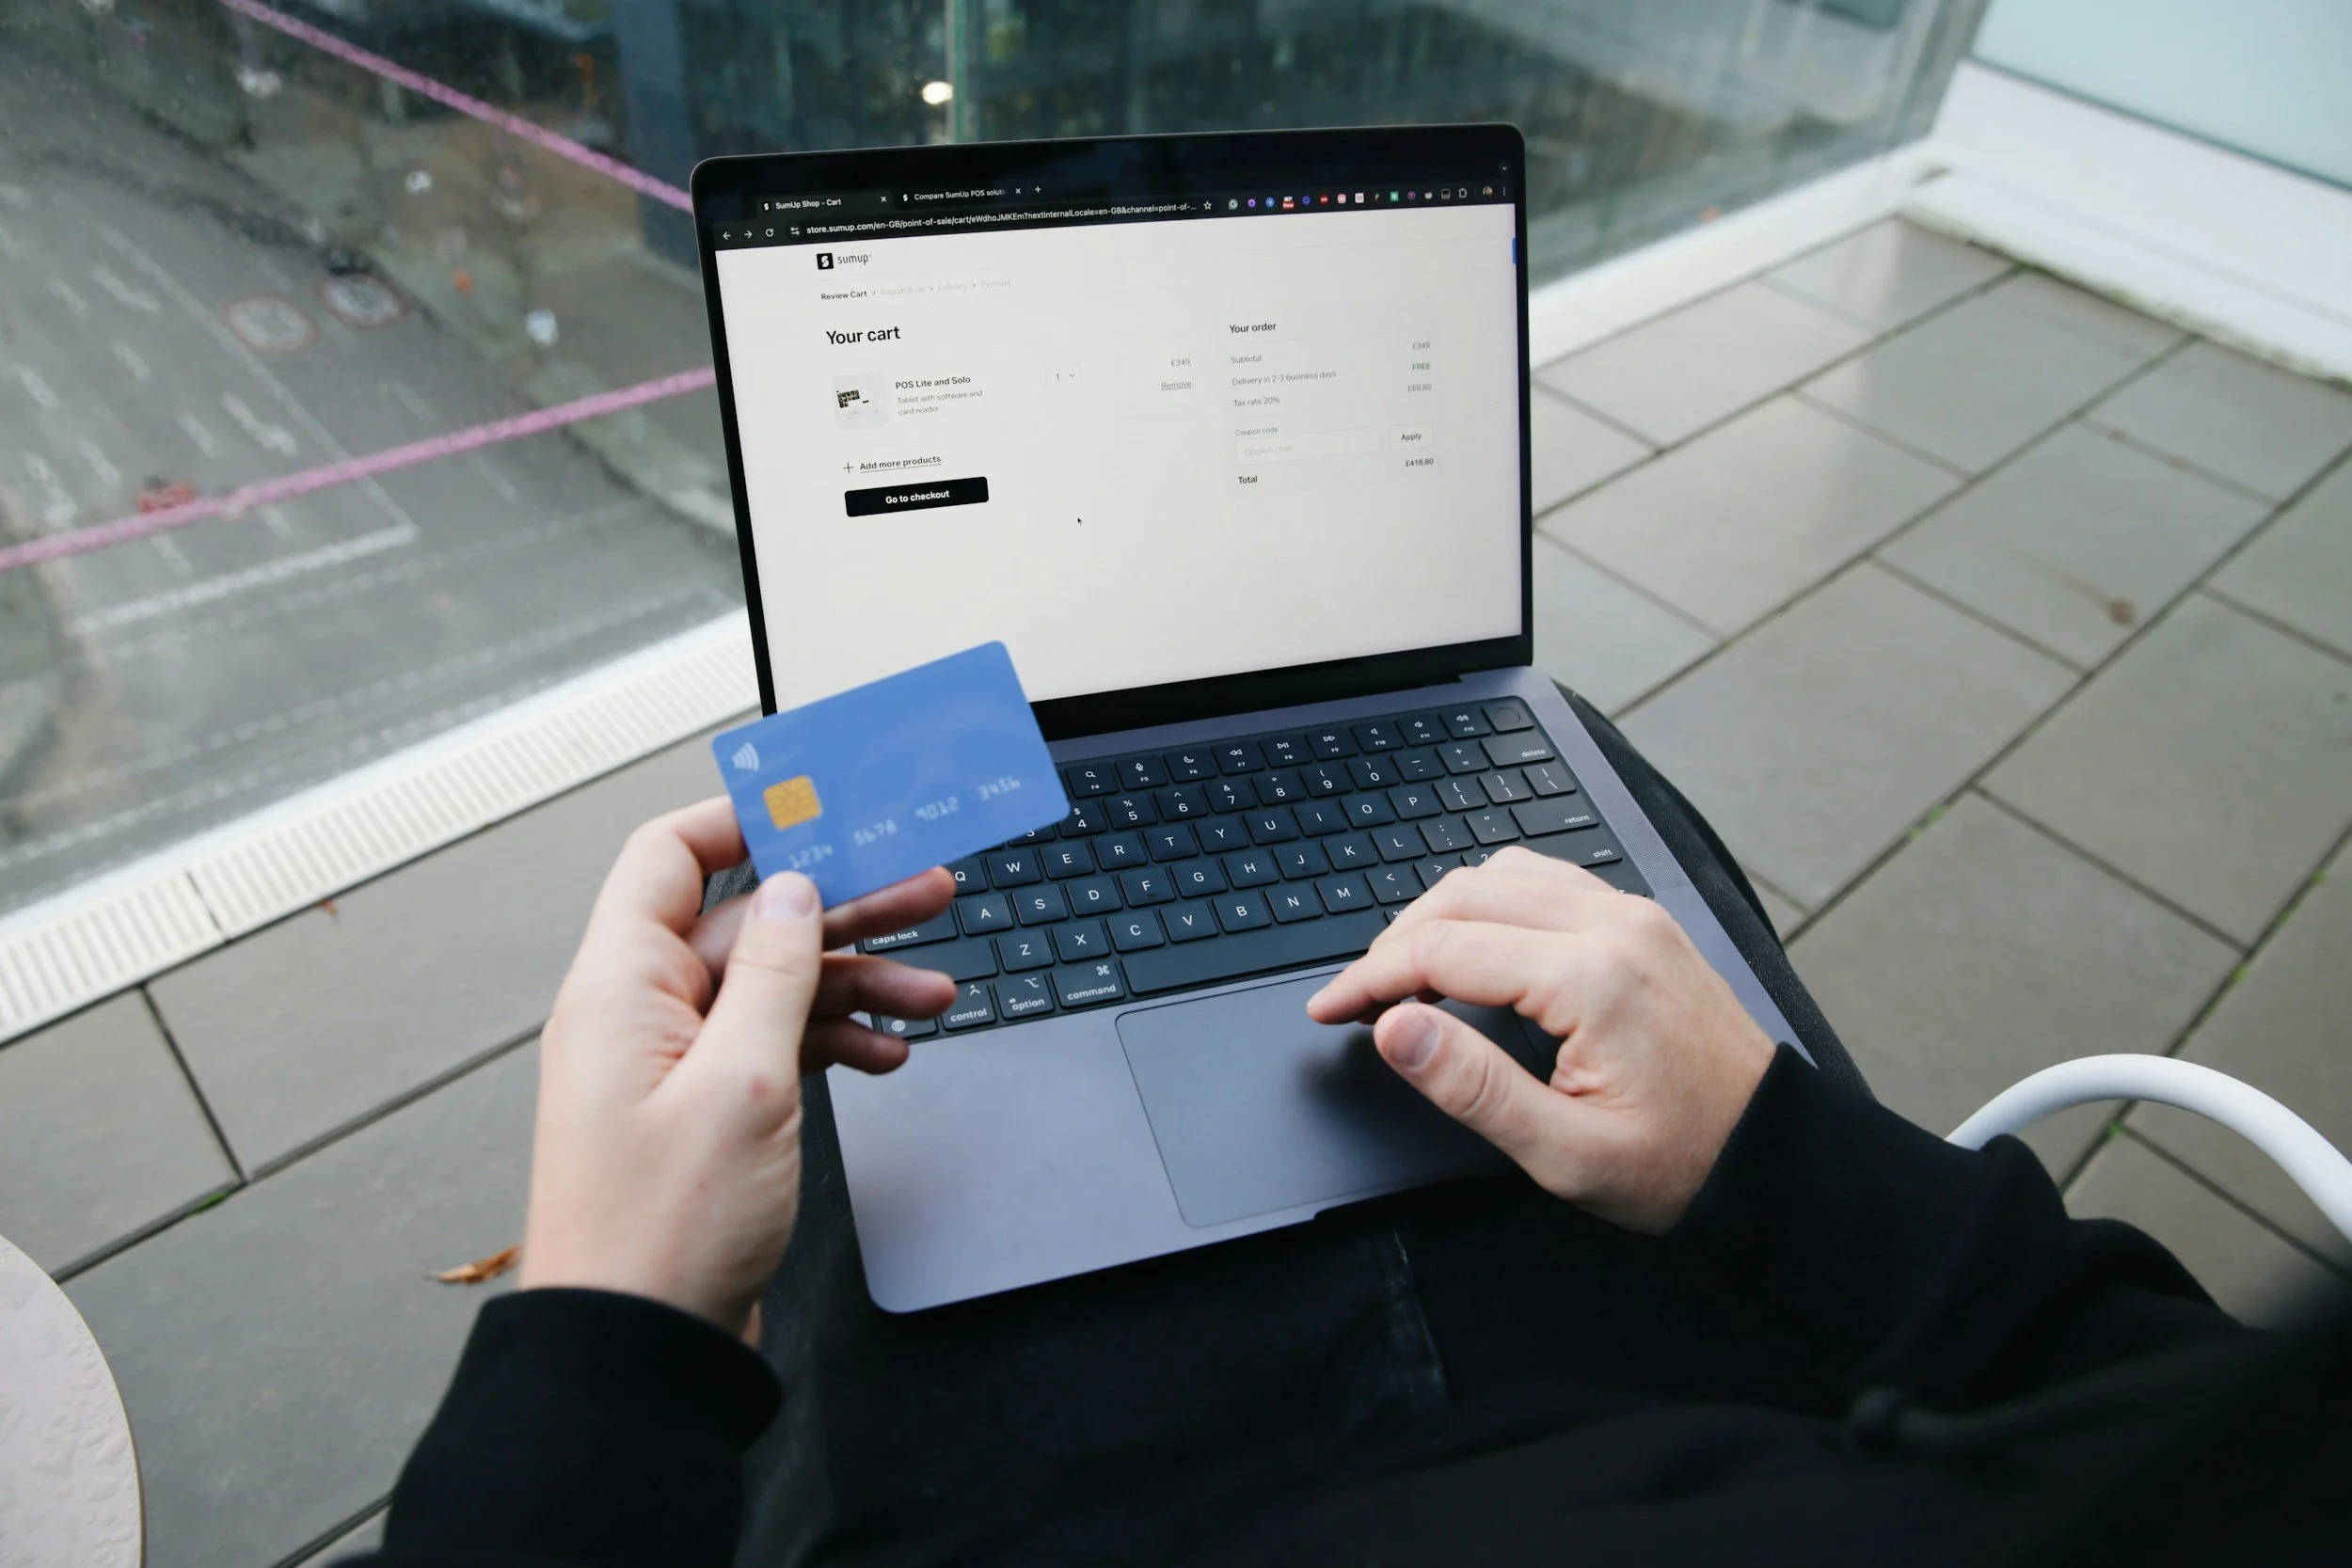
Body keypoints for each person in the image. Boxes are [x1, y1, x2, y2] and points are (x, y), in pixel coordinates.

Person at [350, 700, 2348, 1567]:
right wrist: (1770, 1148)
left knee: (857, 965)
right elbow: (2163, 1401)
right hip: (1731, 1377)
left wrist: (607, 1323)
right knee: (1553, 757)